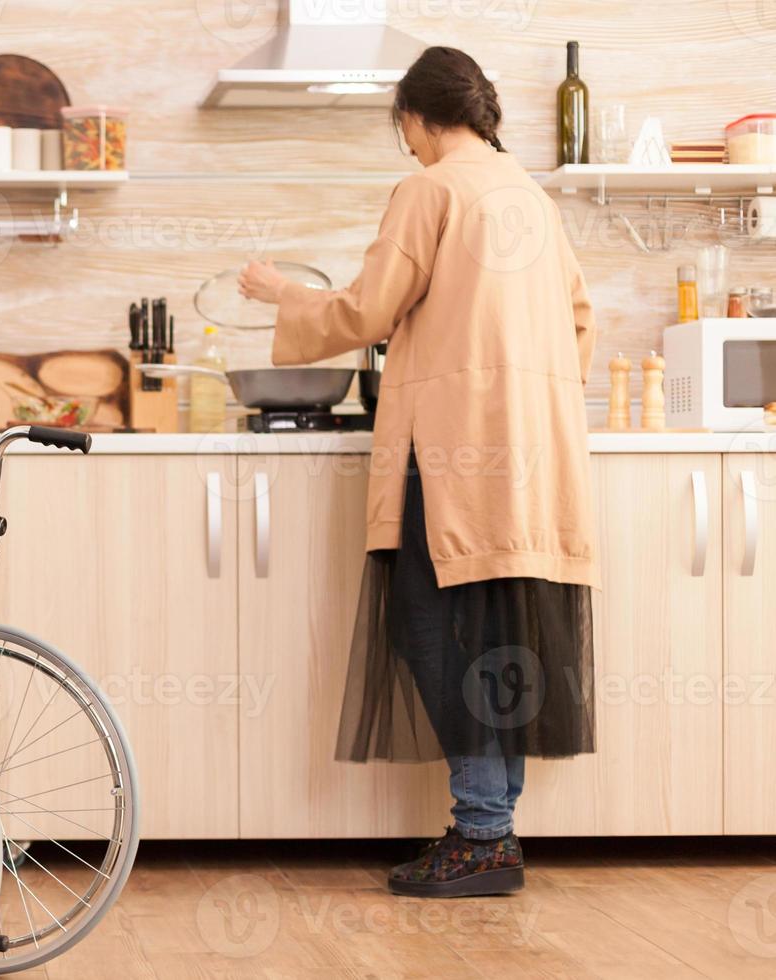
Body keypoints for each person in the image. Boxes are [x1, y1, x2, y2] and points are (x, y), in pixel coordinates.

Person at [239, 46, 598, 898]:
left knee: (435, 629)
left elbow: (366, 308)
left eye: (401, 126)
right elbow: (582, 320)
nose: (404, 143)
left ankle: (482, 831)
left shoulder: (431, 190)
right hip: (528, 450)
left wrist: (281, 291)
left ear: (416, 117)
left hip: (448, 451)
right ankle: (491, 827)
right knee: (500, 628)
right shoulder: (530, 197)